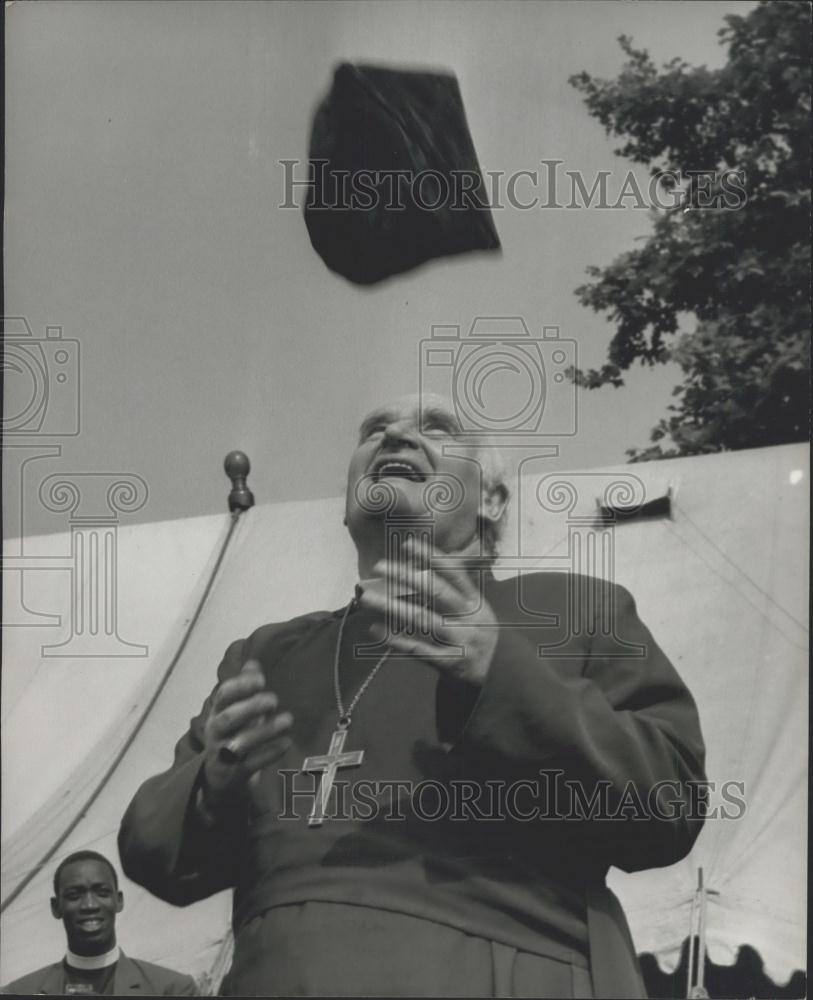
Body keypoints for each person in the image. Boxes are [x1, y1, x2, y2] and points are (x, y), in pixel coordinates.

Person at [118, 397, 706, 998]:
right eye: (374, 430)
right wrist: (212, 788)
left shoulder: (575, 612)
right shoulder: (267, 655)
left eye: (436, 429)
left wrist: (504, 675)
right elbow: (151, 851)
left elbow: (671, 805)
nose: (396, 436)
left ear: (492, 499)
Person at [1, 850, 196, 996]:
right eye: (74, 895)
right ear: (56, 907)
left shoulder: (172, 990)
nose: (89, 905)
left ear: (119, 901)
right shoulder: (18, 992)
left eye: (102, 892)